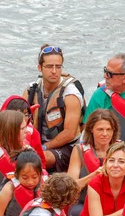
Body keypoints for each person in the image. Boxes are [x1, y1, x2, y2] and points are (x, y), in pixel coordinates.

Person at [22, 44, 85, 173]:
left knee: (40, 157)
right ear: (40, 68)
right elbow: (19, 122)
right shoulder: (30, 90)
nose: (54, 71)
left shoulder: (70, 94)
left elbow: (70, 133)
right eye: (49, 67)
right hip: (37, 144)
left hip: (67, 148)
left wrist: (43, 147)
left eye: (58, 67)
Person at [67, 109, 120, 216]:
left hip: (113, 204)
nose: (105, 134)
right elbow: (70, 187)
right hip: (83, 203)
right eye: (100, 129)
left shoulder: (121, 150)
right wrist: (93, 175)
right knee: (77, 214)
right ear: (91, 129)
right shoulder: (79, 150)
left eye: (108, 129)